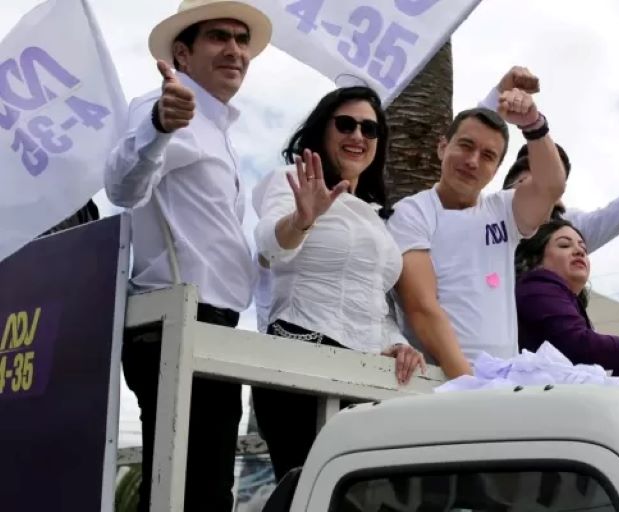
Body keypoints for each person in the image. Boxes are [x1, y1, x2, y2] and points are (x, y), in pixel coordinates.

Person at [103, 1, 272, 510]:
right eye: (220, 37)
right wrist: (158, 123)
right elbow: (122, 186)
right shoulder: (161, 106)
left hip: (206, 327)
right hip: (175, 322)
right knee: (189, 493)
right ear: (182, 52)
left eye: (242, 41)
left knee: (199, 492)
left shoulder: (217, 131)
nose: (236, 51)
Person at [251, 86, 426, 481]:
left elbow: (371, 300)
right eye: (346, 124)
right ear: (321, 130)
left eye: (370, 129)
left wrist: (397, 343)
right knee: (307, 494)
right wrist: (301, 219)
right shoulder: (292, 180)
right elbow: (267, 249)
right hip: (300, 362)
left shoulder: (375, 216)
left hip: (363, 376)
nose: (358, 136)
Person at [388, 80, 567, 379]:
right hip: (440, 379)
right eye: (465, 146)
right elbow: (421, 306)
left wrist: (533, 125)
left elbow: (551, 186)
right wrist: (467, 383)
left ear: (496, 170)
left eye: (487, 156)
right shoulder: (412, 212)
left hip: (504, 380)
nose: (472, 162)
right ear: (443, 147)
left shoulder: (504, 210)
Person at [484, 67, 619, 253]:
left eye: (550, 184)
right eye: (525, 184)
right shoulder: (485, 216)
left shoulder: (573, 227)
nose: (538, 191)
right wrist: (500, 90)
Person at [515, 218, 619, 381]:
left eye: (584, 249)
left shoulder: (564, 302)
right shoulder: (536, 286)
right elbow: (579, 344)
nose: (579, 252)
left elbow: (589, 356)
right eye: (564, 245)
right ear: (536, 260)